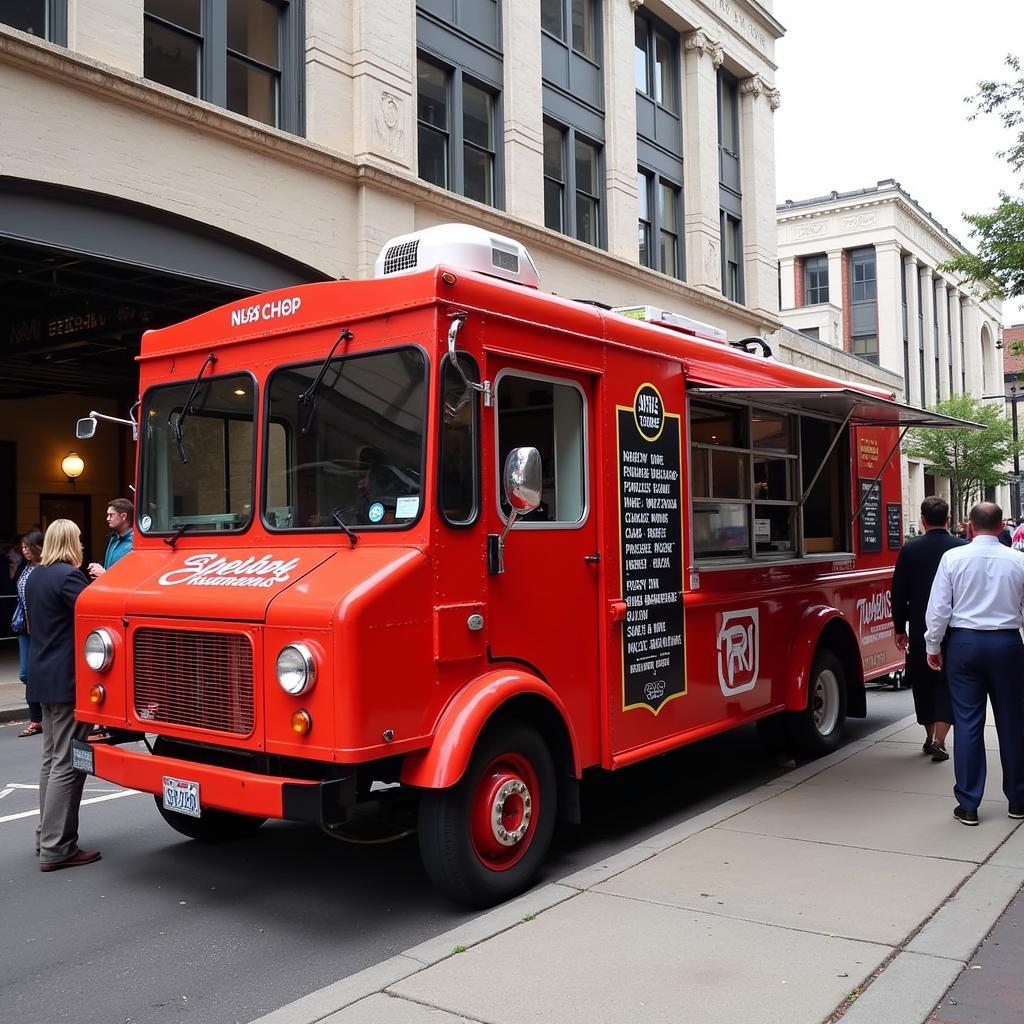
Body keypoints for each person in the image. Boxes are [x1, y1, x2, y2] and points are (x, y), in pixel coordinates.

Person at [924, 502, 1024, 826]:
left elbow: (939, 608)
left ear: (970, 525)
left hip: (965, 643)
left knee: (968, 723)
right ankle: (1018, 800)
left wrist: (933, 645)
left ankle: (968, 803)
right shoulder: (1018, 560)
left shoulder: (953, 559)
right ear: (1000, 528)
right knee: (1012, 723)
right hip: (1007, 643)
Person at [24, 519, 100, 870]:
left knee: (51, 759)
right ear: (71, 541)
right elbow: (94, 614)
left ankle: (45, 837)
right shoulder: (69, 577)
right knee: (68, 762)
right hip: (66, 678)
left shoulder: (35, 576)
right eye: (79, 538)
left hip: (41, 676)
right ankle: (58, 847)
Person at [890, 497, 965, 762]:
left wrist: (900, 628)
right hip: (956, 627)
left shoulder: (910, 550)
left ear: (922, 520)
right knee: (948, 682)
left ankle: (929, 734)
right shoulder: (961, 547)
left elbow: (898, 593)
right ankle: (940, 740)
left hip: (922, 625)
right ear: (948, 519)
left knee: (923, 682)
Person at [12, 529, 44, 737]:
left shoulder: (46, 567)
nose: (24, 551)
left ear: (37, 547)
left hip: (42, 626)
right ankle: (39, 716)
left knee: (36, 672)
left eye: (27, 547)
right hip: (24, 626)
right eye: (22, 547)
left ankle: (37, 719)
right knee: (26, 673)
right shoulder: (25, 566)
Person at [87, 498, 134, 579]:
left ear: (124, 516)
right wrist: (99, 568)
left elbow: (131, 577)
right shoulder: (113, 538)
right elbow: (111, 568)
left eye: (111, 515)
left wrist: (104, 574)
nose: (107, 519)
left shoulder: (135, 543)